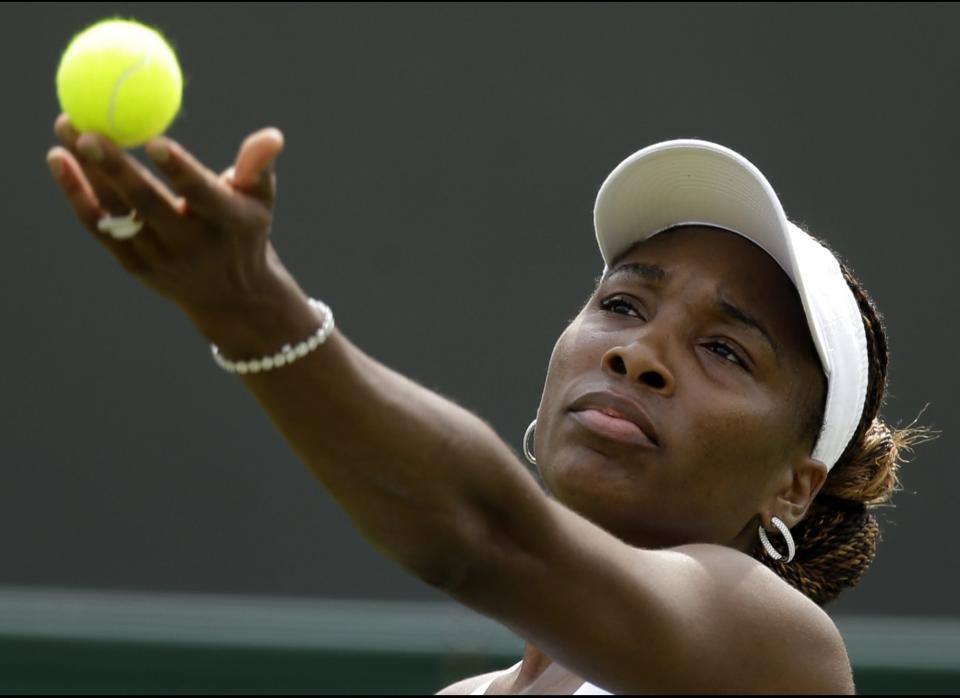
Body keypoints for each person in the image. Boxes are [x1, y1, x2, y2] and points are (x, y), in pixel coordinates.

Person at [45, 115, 931, 694]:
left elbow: (481, 537)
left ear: (794, 487)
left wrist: (250, 309)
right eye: (622, 304)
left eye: (725, 349)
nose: (638, 353)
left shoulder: (776, 655)